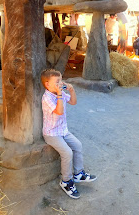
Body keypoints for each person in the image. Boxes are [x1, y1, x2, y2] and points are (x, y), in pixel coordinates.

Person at [41, 69, 96, 199]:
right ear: (48, 84)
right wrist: (60, 94)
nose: (60, 83)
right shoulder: (47, 98)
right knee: (67, 152)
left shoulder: (59, 93)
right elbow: (59, 111)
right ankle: (66, 181)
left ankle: (78, 173)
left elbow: (73, 102)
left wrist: (71, 90)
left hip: (63, 130)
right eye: (57, 81)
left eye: (61, 80)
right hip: (52, 133)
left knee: (77, 145)